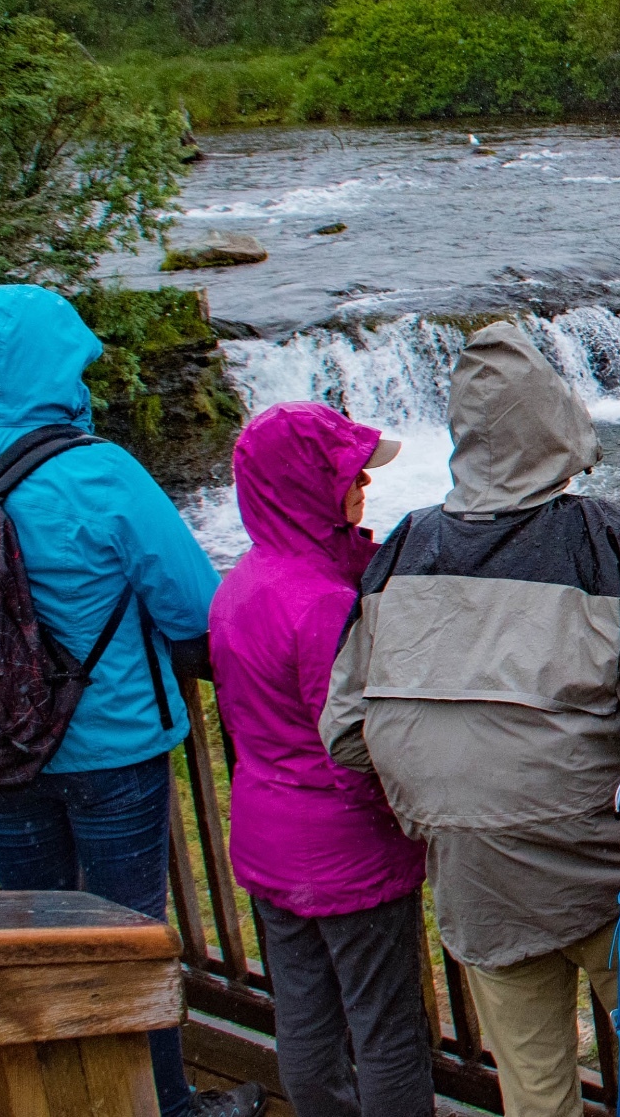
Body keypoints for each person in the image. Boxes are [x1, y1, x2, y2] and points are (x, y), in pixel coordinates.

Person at [320, 323, 620, 1117]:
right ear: (560, 425)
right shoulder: (611, 542)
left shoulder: (404, 548)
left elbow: (346, 730)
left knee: (533, 1094)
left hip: (477, 882)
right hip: (615, 887)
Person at [0, 285, 266, 1117]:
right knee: (132, 938)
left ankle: (50, 1096)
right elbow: (196, 610)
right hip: (112, 743)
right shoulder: (95, 472)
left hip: (4, 754)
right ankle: (166, 1104)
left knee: (33, 943)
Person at [209, 402, 434, 1117]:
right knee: (387, 1028)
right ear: (307, 486)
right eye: (346, 469)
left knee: (304, 1015)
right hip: (347, 851)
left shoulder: (240, 584)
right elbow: (356, 743)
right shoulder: (324, 604)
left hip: (267, 833)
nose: (365, 479)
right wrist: (406, 819)